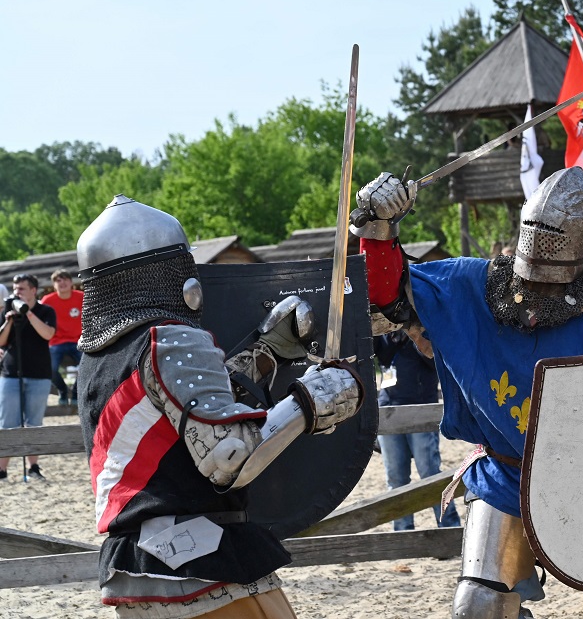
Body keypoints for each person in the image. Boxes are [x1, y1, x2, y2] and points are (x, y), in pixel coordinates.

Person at [351, 167, 583, 619]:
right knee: (477, 607)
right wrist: (377, 229)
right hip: (504, 477)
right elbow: (389, 296)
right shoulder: (473, 286)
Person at [74, 195, 363, 618]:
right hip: (201, 565)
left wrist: (267, 353)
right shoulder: (169, 339)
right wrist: (311, 401)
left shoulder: (96, 363)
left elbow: (177, 420)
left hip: (133, 569)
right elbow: (228, 456)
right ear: (167, 270)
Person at [374, 330, 461, 530]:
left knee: (430, 474)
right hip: (389, 411)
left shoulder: (425, 328)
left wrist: (412, 334)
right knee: (396, 479)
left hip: (421, 410)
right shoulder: (385, 332)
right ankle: (402, 532)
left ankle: (450, 527)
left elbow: (435, 362)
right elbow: (369, 351)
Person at [0, 274, 57, 481]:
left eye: (22, 289)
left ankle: (33, 467)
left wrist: (29, 313)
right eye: (15, 289)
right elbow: (1, 341)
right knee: (7, 423)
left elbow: (48, 334)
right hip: (10, 373)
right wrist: (8, 322)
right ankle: (2, 470)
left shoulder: (46, 311)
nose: (17, 293)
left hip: (39, 374)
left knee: (34, 423)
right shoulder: (8, 309)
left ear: (33, 290)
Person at [40, 269, 84, 406]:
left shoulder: (82, 297)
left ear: (71, 282)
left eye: (65, 279)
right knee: (49, 368)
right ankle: (63, 391)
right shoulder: (47, 301)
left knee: (88, 365)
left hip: (80, 341)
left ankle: (76, 393)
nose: (62, 283)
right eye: (58, 280)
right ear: (54, 285)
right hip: (56, 342)